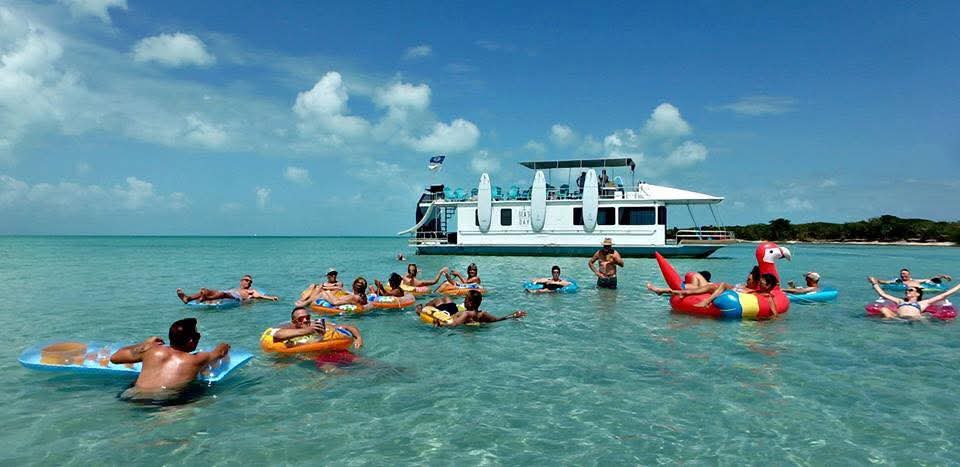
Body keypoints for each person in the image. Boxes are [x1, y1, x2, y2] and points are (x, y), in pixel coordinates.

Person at [110, 318, 230, 401]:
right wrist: (224, 344)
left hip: (130, 395)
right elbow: (220, 352)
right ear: (191, 341)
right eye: (197, 336)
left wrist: (145, 343)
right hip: (165, 401)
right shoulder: (197, 359)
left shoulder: (151, 350)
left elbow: (115, 357)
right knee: (205, 396)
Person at [417, 290, 526, 328]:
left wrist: (439, 325)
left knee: (440, 300)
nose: (464, 301)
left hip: (449, 317)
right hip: (462, 319)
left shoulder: (466, 314)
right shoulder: (483, 314)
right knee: (445, 299)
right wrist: (513, 315)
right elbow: (497, 320)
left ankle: (421, 308)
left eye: (465, 299)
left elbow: (453, 325)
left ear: (470, 303)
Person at [868, 277, 960, 320]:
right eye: (907, 290)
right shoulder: (900, 301)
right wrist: (874, 283)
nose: (908, 291)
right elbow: (883, 294)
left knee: (923, 316)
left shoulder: (923, 303)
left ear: (917, 293)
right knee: (884, 309)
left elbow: (944, 295)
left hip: (914, 318)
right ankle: (887, 324)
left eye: (911, 290)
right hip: (898, 318)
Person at [270, 307, 363, 349]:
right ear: (294, 322)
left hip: (328, 349)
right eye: (301, 319)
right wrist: (307, 331)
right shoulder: (290, 329)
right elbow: (277, 336)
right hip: (310, 356)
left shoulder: (317, 325)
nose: (306, 320)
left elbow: (348, 326)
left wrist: (358, 338)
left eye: (308, 317)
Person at [177, 275, 278, 304]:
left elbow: (260, 296)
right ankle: (187, 298)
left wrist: (271, 298)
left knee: (222, 294)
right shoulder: (236, 288)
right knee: (207, 290)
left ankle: (206, 298)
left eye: (249, 281)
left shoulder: (251, 290)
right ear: (241, 281)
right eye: (246, 280)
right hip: (228, 292)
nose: (247, 282)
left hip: (235, 297)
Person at [297, 277, 369, 308]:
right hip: (341, 298)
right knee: (322, 291)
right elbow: (351, 294)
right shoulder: (362, 296)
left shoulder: (354, 297)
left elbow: (335, 303)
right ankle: (305, 301)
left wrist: (327, 294)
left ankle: (305, 303)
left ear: (353, 285)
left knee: (324, 293)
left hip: (336, 301)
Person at [646, 271, 715, 296]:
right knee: (682, 288)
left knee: (681, 287)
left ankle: (659, 290)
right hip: (706, 288)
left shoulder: (707, 284)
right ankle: (660, 291)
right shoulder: (709, 284)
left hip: (705, 288)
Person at [872, 269, 951, 288]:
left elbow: (930, 279)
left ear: (909, 275)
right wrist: (876, 281)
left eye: (905, 274)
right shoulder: (898, 281)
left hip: (920, 289)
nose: (903, 275)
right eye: (902, 274)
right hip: (906, 290)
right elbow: (885, 282)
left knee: (936, 281)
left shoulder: (915, 280)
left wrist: (943, 276)